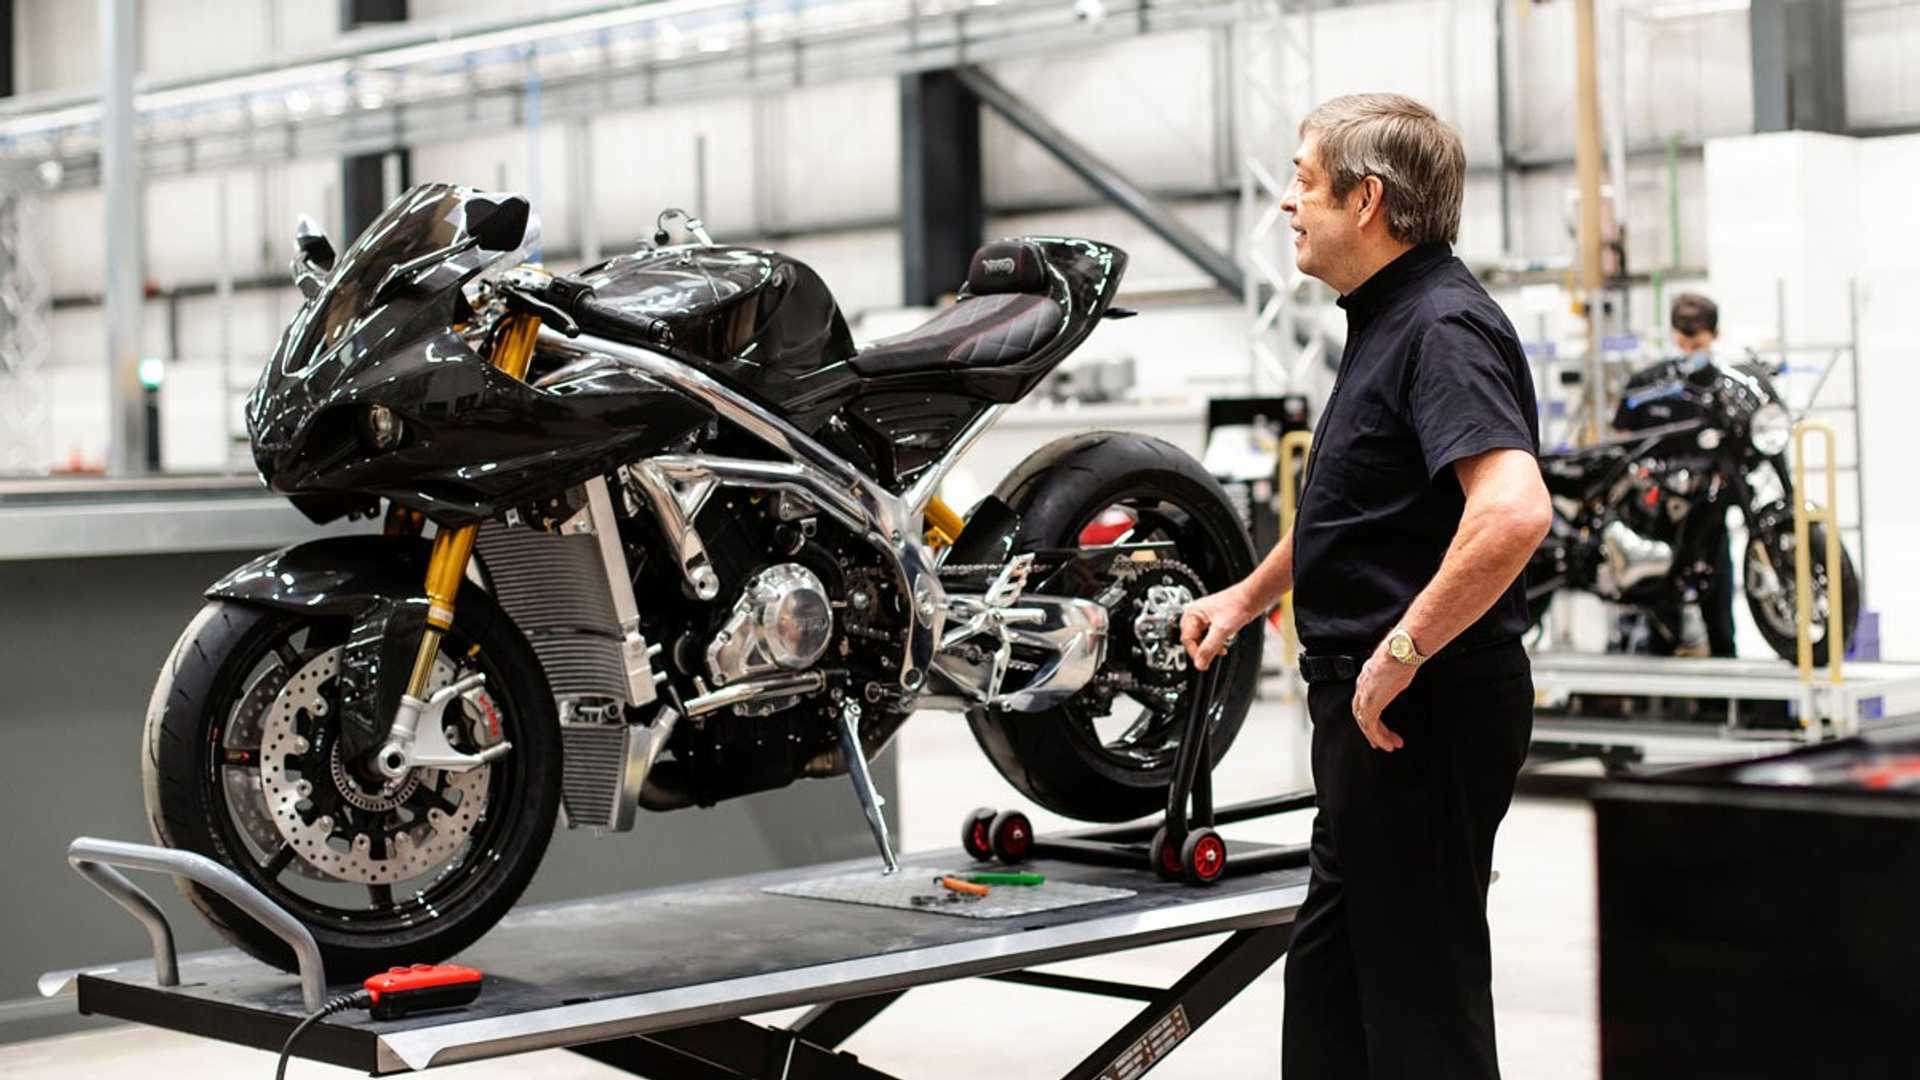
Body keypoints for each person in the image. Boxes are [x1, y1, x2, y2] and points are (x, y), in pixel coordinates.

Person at [1179, 93, 1551, 1079]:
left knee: (1421, 1014)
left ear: (1368, 201)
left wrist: (1401, 649)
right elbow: (1354, 511)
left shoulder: (1442, 327)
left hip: (1417, 716)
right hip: (1374, 719)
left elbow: (1513, 512)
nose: (1287, 208)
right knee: (1336, 1000)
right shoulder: (1386, 320)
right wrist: (1248, 597)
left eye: (1303, 184)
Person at [1643, 292, 1738, 657]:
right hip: (1661, 521)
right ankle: (1664, 709)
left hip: (1709, 522)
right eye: (1682, 342)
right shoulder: (1653, 384)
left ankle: (1722, 707)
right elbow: (1625, 432)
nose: (1688, 349)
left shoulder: (1727, 388)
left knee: (1720, 624)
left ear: (1716, 335)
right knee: (1662, 625)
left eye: (1696, 343)